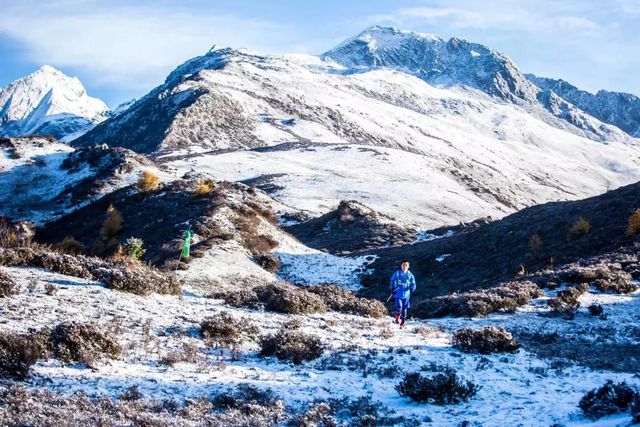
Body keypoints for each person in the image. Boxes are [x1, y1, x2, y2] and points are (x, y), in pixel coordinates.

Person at [389, 260, 416, 327]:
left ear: (408, 266)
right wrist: (392, 288)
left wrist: (413, 287)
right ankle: (397, 317)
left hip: (406, 295)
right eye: (403, 265)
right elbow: (392, 281)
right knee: (399, 307)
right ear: (401, 266)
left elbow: (413, 283)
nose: (405, 266)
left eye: (406, 265)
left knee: (405, 308)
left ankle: (403, 322)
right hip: (398, 294)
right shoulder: (397, 273)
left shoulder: (410, 275)